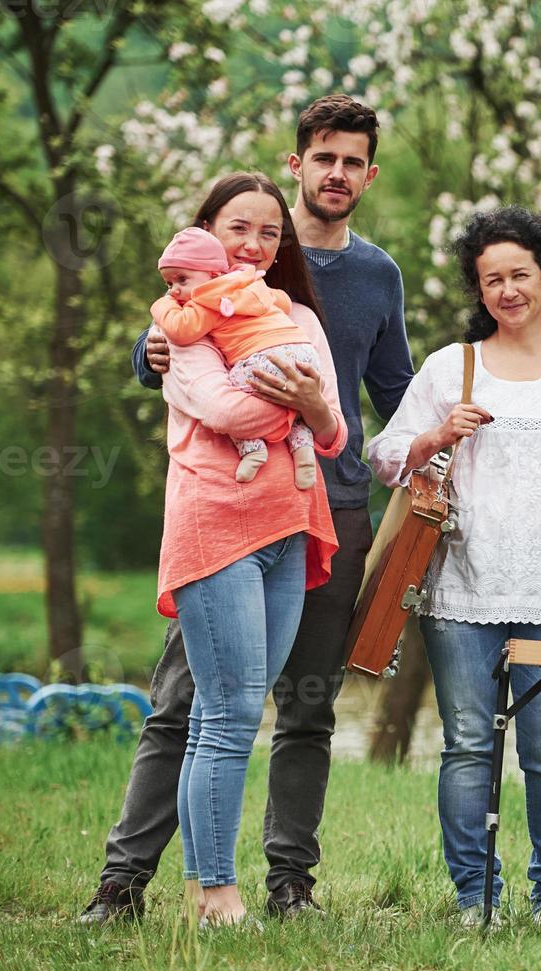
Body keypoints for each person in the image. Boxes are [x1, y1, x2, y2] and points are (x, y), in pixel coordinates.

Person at [79, 95, 413, 924]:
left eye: (353, 162)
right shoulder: (239, 253)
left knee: (305, 709)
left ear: (369, 175)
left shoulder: (374, 276)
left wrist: (433, 455)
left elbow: (395, 393)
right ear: (298, 162)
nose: (336, 173)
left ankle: (289, 885)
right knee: (184, 705)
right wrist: (143, 352)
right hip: (225, 510)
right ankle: (123, 882)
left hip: (327, 506)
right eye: (322, 157)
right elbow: (171, 338)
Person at [367, 206, 541, 926]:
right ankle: (474, 895)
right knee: (468, 745)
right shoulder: (452, 366)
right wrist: (432, 435)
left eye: (519, 275)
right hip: (461, 588)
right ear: (477, 288)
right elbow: (384, 456)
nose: (507, 291)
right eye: (491, 280)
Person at [145, 173, 347, 926]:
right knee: (226, 714)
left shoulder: (294, 314)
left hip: (288, 528)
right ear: (206, 231)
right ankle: (218, 892)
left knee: (232, 713)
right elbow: (223, 408)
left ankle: (204, 887)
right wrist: (298, 394)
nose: (256, 246)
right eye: (239, 228)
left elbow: (333, 435)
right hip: (216, 523)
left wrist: (315, 403)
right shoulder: (184, 321)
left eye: (270, 233)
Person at [151, 226, 322, 487]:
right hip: (304, 354)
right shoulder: (250, 282)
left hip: (264, 358)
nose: (174, 290)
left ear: (213, 274)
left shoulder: (207, 298)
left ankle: (252, 448)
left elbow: (182, 329)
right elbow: (284, 302)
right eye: (169, 284)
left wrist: (161, 304)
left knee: (232, 394)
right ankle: (303, 449)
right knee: (291, 403)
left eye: (182, 280)